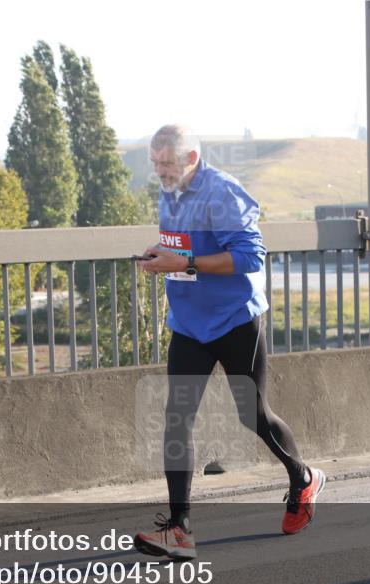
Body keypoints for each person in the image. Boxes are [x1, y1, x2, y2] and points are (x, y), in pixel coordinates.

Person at [132, 125, 325, 561]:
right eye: (155, 163)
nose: (160, 171)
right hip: (188, 324)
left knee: (252, 416)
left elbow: (250, 256)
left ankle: (303, 478)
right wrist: (162, 256)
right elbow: (185, 250)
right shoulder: (170, 191)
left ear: (192, 160)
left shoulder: (223, 192)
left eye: (167, 163)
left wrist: (183, 261)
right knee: (176, 420)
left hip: (235, 320)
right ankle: (179, 530)